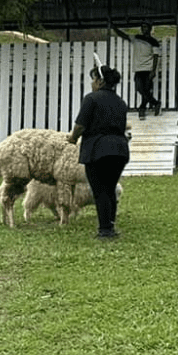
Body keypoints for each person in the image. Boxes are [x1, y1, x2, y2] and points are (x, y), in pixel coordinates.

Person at [68, 65, 131, 239]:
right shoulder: (120, 102)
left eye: (94, 79)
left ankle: (105, 231)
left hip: (98, 148)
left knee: (100, 189)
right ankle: (109, 225)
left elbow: (81, 125)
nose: (92, 83)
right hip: (119, 149)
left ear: (100, 81)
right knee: (110, 188)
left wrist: (72, 138)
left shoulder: (91, 99)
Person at [115, 24, 165, 117]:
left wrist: (153, 71)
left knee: (145, 90)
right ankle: (155, 103)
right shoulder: (136, 38)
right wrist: (114, 28)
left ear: (150, 28)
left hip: (148, 69)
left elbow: (156, 56)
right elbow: (124, 36)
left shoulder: (153, 42)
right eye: (142, 27)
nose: (144, 29)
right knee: (140, 89)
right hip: (138, 69)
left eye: (146, 27)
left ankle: (142, 109)